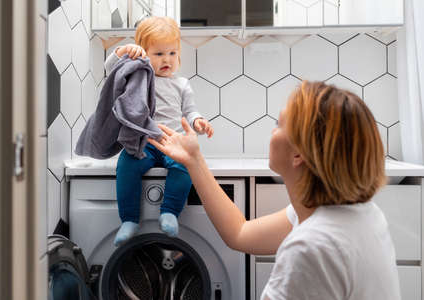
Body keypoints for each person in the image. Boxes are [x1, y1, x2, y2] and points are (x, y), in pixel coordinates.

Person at [148, 81, 401, 300]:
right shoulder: (357, 214)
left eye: (279, 125)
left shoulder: (310, 247)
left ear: (299, 154)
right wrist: (194, 160)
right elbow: (240, 233)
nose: (272, 131)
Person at [104, 16, 214, 246]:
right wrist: (124, 50)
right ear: (144, 54)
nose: (167, 60)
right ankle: (129, 219)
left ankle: (170, 212)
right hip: (144, 142)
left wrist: (199, 122)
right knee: (125, 166)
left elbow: (190, 111)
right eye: (159, 54)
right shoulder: (138, 76)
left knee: (184, 166)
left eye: (172, 53)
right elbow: (110, 69)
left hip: (172, 141)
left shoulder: (181, 84)